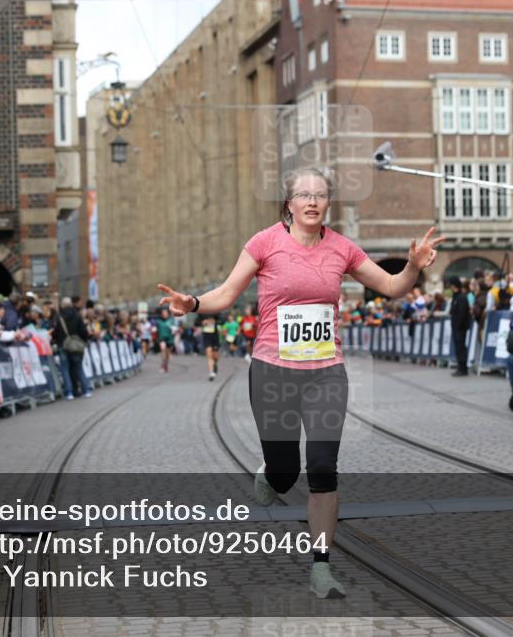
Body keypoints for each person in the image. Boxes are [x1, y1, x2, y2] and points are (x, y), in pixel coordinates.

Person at [156, 166, 444, 600]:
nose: (312, 201)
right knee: (287, 472)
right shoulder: (264, 243)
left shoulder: (342, 249)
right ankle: (272, 474)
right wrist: (193, 303)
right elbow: (227, 294)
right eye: (303, 194)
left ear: (328, 203)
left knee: (324, 468)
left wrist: (412, 267)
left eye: (321, 194)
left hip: (326, 373)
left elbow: (391, 286)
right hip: (273, 371)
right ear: (288, 203)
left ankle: (321, 567)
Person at [55, 297, 92, 399]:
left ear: (62, 306)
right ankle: (86, 390)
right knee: (79, 367)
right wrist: (84, 340)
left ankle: (69, 392)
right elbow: (83, 331)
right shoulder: (77, 315)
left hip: (63, 345)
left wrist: (57, 341)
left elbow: (56, 331)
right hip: (76, 345)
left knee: (65, 369)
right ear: (71, 305)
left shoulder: (59, 316)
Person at [447, 276, 471, 376]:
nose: (450, 288)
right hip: (456, 328)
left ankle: (463, 368)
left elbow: (462, 313)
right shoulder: (455, 297)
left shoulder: (461, 298)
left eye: (451, 286)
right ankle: (460, 367)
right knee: (458, 348)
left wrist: (458, 326)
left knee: (461, 348)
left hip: (460, 328)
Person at [199, 314, 221, 380]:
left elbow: (221, 319)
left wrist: (214, 321)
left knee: (215, 357)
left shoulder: (215, 310)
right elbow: (196, 322)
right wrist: (202, 322)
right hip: (206, 337)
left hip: (215, 337)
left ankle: (215, 364)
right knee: (209, 354)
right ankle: (211, 373)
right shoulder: (202, 313)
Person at [155, 307, 176, 373]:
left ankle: (165, 365)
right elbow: (155, 330)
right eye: (163, 313)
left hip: (169, 339)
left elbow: (175, 330)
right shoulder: (158, 321)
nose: (164, 314)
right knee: (163, 350)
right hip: (162, 339)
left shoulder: (171, 321)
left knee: (167, 354)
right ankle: (163, 365)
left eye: (165, 313)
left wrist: (173, 330)